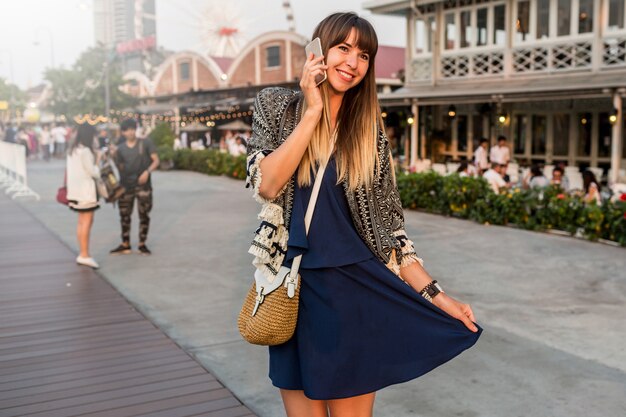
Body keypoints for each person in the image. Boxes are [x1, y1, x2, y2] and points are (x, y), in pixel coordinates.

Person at [245, 12, 481, 416]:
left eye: (364, 55)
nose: (353, 62)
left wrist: (439, 297)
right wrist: (313, 113)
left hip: (355, 295)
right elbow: (266, 183)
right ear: (318, 50)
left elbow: (392, 234)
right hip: (292, 291)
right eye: (343, 48)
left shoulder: (369, 136)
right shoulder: (276, 106)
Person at [109, 118, 160, 255]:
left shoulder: (146, 143)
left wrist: (147, 172)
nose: (131, 132)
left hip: (143, 186)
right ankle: (125, 243)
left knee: (144, 214)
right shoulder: (120, 148)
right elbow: (119, 168)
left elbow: (156, 160)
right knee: (124, 215)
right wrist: (113, 155)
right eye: (127, 130)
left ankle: (142, 243)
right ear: (123, 132)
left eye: (132, 129)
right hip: (126, 186)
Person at [66, 124, 101, 269]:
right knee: (87, 221)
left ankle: (83, 252)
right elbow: (93, 172)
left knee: (81, 221)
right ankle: (84, 254)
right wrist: (98, 159)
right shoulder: (85, 151)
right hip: (86, 192)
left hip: (75, 191)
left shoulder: (73, 150)